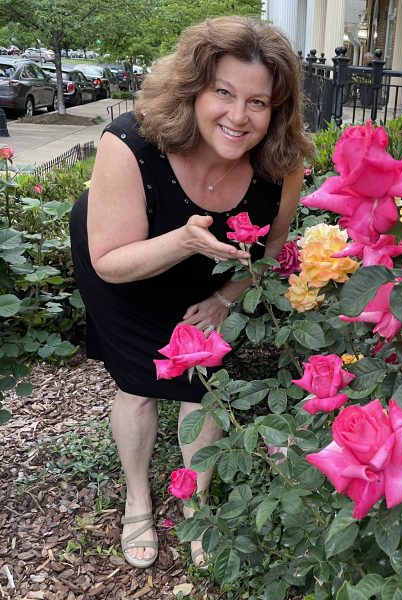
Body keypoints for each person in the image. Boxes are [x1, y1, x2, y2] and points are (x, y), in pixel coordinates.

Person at [69, 16, 314, 569]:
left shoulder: (281, 163)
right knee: (139, 382)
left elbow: (273, 249)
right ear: (194, 89)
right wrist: (183, 241)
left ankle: (196, 502)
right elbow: (110, 261)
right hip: (125, 260)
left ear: (277, 110)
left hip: (208, 269)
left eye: (259, 102)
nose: (238, 115)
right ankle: (138, 498)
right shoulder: (131, 142)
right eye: (223, 92)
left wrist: (227, 297)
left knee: (198, 385)